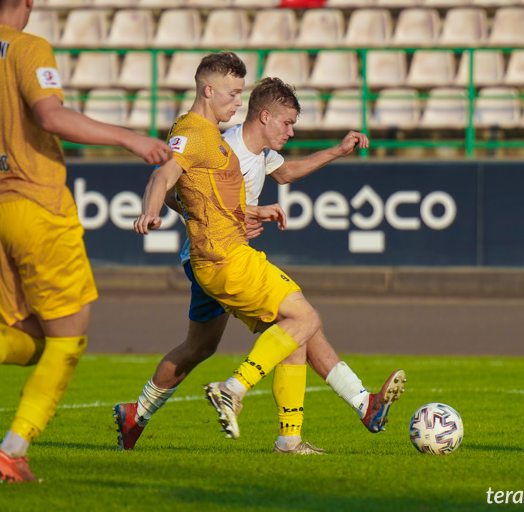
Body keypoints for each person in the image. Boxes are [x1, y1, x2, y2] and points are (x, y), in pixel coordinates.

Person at [0, 0, 172, 483]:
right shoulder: (30, 48)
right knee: (70, 336)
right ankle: (12, 450)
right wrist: (131, 138)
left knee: (32, 335)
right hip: (36, 206)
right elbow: (50, 115)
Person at [116, 78, 404, 455]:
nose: (291, 131)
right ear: (265, 117)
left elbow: (285, 173)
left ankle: (137, 413)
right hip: (217, 256)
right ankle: (323, 410)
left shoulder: (261, 153)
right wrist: (239, 214)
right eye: (287, 123)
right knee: (300, 322)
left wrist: (336, 151)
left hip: (216, 258)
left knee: (199, 348)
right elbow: (178, 193)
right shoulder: (227, 147)